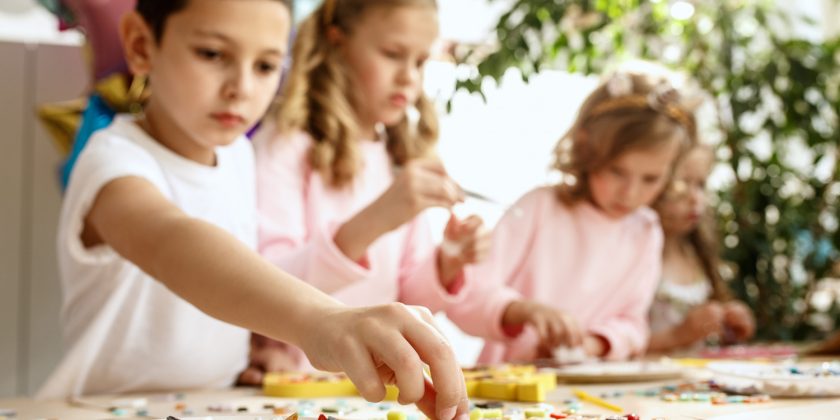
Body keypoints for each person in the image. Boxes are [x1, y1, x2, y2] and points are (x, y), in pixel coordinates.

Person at [38, 2, 469, 418]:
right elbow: (173, 242)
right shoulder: (111, 161)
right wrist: (323, 320)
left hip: (214, 404)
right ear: (140, 45)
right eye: (212, 54)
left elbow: (234, 288)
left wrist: (257, 350)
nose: (241, 88)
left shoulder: (238, 156)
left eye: (265, 66)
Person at [246, 0, 490, 380]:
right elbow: (262, 287)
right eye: (393, 54)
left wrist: (447, 262)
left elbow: (406, 301)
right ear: (338, 43)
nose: (409, 77)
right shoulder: (285, 147)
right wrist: (377, 218)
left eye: (420, 62)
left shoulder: (394, 157)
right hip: (292, 382)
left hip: (367, 388)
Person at [446, 70, 698, 363]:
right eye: (617, 171)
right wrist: (523, 311)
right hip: (508, 392)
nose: (630, 193)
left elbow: (633, 323)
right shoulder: (539, 208)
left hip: (593, 393)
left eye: (650, 179)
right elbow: (468, 296)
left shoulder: (645, 231)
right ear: (586, 147)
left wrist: (590, 345)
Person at [647, 144, 755, 353]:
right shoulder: (635, 257)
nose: (695, 199)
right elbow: (618, 342)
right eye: (681, 184)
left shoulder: (696, 252)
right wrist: (678, 335)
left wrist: (729, 324)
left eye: (701, 185)